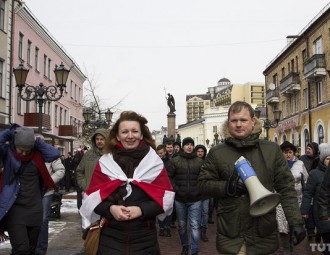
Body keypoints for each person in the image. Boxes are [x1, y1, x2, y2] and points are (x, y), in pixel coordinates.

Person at [198, 101, 306, 254]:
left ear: (253, 121)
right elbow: (203, 185)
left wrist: (295, 221)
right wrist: (227, 187)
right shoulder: (217, 152)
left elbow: (286, 188)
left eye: (243, 120)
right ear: (228, 123)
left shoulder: (271, 150)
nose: (238, 124)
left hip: (263, 230)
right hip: (233, 233)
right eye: (234, 120)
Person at [79, 111, 174, 255]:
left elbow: (165, 200)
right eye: (125, 132)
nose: (130, 136)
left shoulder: (154, 162)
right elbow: (92, 199)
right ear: (117, 136)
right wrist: (111, 209)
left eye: (135, 131)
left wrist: (141, 210)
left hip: (145, 240)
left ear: (141, 135)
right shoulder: (105, 163)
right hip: (110, 239)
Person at [0, 125, 60, 255]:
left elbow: (55, 154)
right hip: (15, 208)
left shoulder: (37, 155)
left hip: (34, 208)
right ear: (15, 144)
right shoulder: (8, 154)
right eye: (21, 150)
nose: (24, 153)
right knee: (21, 250)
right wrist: (10, 133)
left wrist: (36, 141)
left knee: (31, 249)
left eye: (27, 150)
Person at [168, 137, 203, 255]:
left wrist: (199, 190)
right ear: (183, 146)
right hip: (180, 199)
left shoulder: (199, 161)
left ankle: (194, 250)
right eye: (187, 144)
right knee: (182, 226)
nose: (189, 146)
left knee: (194, 225)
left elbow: (204, 178)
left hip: (195, 199)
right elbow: (169, 178)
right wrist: (176, 189)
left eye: (191, 144)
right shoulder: (175, 161)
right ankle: (185, 246)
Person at [276, 141, 308, 255]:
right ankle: (286, 249)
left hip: (296, 200)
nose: (288, 155)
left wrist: (306, 202)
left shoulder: (300, 164)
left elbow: (306, 182)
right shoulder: (277, 165)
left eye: (290, 152)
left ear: (294, 153)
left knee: (294, 224)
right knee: (282, 226)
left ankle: (292, 245)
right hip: (280, 201)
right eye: (285, 152)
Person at [301, 143, 330, 254]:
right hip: (321, 212)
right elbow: (308, 193)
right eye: (328, 158)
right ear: (322, 160)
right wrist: (304, 210)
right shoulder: (315, 174)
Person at [36, 154, 65, 255]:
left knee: (43, 220)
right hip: (30, 191)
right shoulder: (28, 151)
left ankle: (41, 249)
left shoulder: (50, 154)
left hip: (46, 192)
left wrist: (48, 182)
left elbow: (60, 170)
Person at [76, 129, 109, 210]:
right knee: (91, 220)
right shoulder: (88, 155)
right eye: (97, 139)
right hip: (90, 193)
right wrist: (86, 186)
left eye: (102, 139)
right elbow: (79, 172)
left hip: (108, 194)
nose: (99, 141)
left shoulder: (112, 154)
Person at [299, 142, 320, 240]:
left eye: (310, 149)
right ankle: (310, 230)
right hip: (306, 188)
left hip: (317, 189)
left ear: (315, 150)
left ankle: (318, 230)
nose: (307, 150)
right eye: (307, 148)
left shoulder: (319, 159)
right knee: (309, 209)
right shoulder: (302, 159)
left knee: (316, 209)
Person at [156, 144, 172, 237]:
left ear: (165, 152)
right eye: (158, 153)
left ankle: (167, 227)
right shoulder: (154, 162)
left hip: (168, 188)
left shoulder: (170, 162)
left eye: (161, 153)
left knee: (168, 209)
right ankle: (162, 228)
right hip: (158, 188)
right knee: (160, 209)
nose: (159, 155)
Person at [195, 144, 209, 242]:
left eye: (202, 151)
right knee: (197, 212)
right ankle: (197, 230)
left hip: (206, 191)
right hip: (196, 191)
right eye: (198, 151)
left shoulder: (208, 162)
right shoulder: (193, 162)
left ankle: (204, 230)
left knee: (205, 212)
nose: (200, 153)